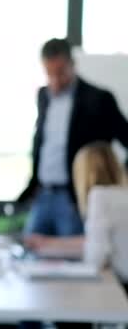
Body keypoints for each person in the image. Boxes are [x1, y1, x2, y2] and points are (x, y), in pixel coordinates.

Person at [18, 38, 128, 237]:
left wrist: (121, 181)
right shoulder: (43, 96)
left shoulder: (99, 99)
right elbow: (42, 142)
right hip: (43, 193)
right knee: (28, 251)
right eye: (49, 74)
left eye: (60, 73)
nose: (55, 81)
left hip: (74, 197)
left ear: (72, 65)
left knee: (74, 259)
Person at [25, 143, 127, 282]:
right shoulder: (120, 194)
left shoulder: (99, 195)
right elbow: (100, 242)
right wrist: (48, 244)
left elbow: (96, 257)